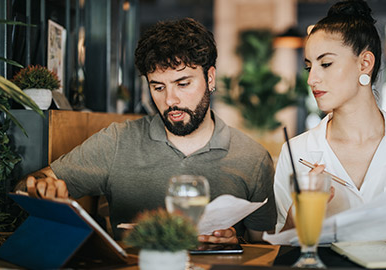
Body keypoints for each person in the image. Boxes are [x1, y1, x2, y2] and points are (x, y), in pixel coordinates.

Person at [15, 18, 276, 242]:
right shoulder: (117, 141)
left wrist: (235, 241)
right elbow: (28, 184)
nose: (170, 100)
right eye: (158, 87)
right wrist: (40, 189)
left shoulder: (252, 159)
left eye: (183, 83)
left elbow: (264, 249)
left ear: (210, 78)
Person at [274, 0, 386, 233]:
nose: (311, 79)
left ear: (364, 63)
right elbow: (284, 255)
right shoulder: (296, 153)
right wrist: (297, 217)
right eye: (309, 67)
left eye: (325, 64)